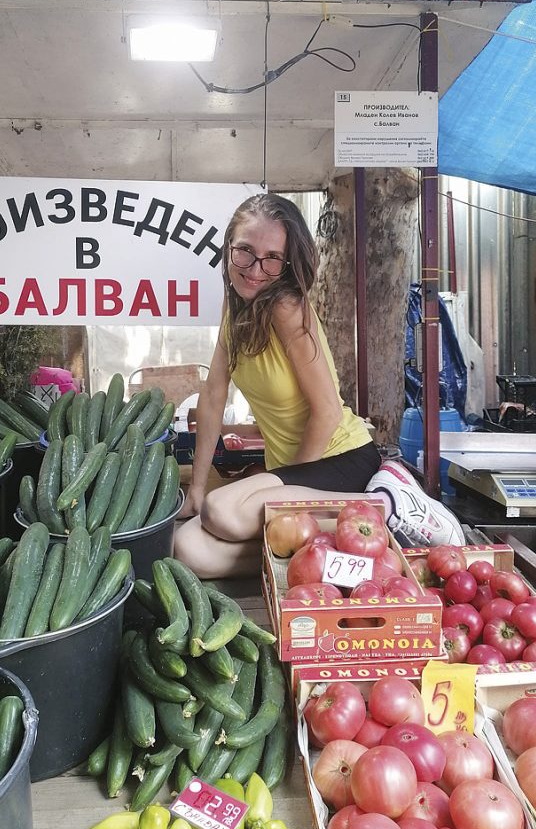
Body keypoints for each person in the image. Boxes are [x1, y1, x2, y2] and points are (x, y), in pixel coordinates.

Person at [173, 192, 462, 579]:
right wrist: (196, 487)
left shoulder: (286, 308)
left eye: (272, 257)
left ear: (288, 262)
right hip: (294, 474)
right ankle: (365, 554)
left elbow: (327, 411)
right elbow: (212, 396)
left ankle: (385, 504)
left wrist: (292, 495)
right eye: (244, 251)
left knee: (222, 511)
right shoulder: (235, 306)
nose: (255, 268)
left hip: (339, 463)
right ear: (227, 248)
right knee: (189, 550)